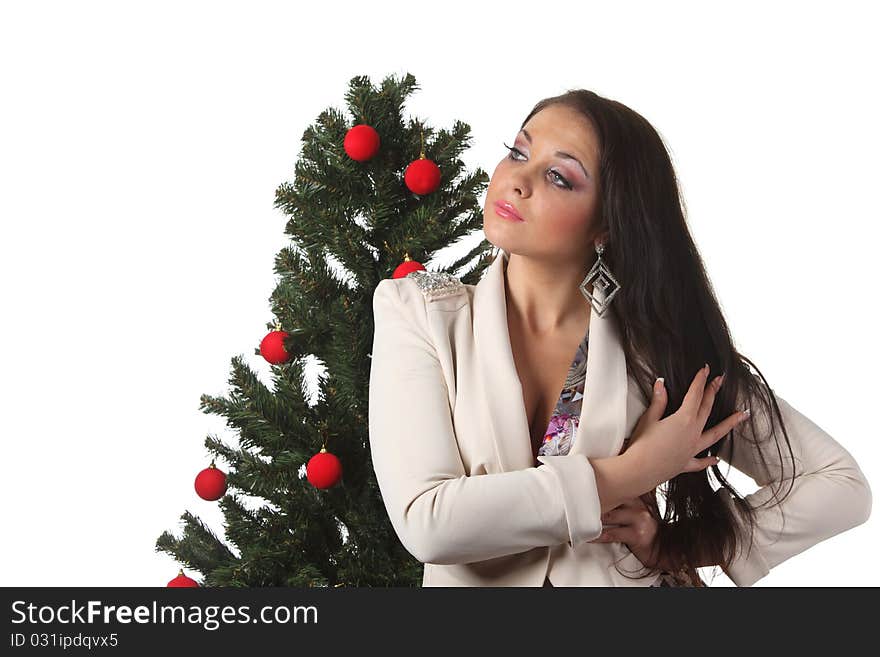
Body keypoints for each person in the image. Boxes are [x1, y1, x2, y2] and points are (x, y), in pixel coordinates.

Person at [367, 89, 872, 587]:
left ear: (607, 223)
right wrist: (637, 469)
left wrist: (683, 544)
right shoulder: (419, 314)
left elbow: (840, 484)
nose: (517, 180)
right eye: (518, 152)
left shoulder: (660, 346)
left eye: (558, 177)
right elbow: (428, 523)